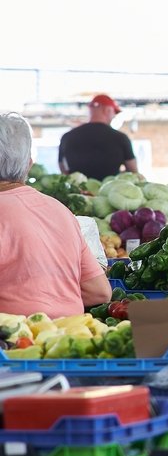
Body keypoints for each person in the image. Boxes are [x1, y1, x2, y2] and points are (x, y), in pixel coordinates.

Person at [0, 113, 111, 318]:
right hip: (68, 339)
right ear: (28, 165)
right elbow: (99, 292)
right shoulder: (61, 211)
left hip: (13, 343)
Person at [58, 94, 137, 178]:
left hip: (77, 190)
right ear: (107, 110)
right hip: (110, 190)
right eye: (114, 112)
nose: (114, 116)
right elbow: (133, 172)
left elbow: (62, 166)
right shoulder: (121, 138)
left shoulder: (67, 137)